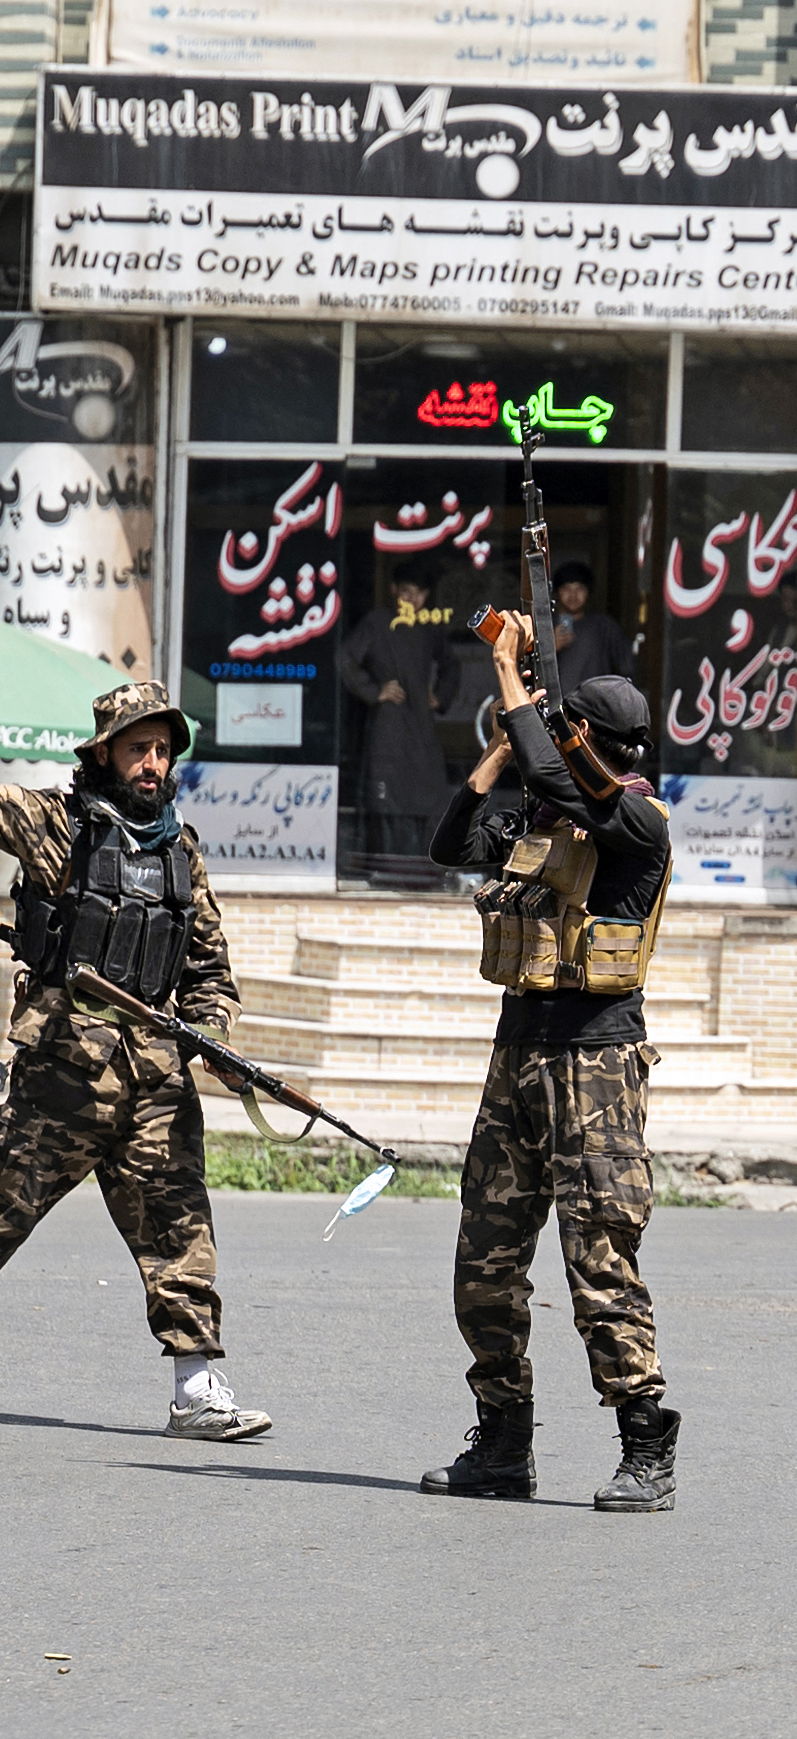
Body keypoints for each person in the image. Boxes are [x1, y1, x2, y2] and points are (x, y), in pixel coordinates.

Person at [0, 629, 270, 1440]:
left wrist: (212, 1031)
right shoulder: (58, 825)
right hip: (64, 1075)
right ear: (107, 756)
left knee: (180, 1226)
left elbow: (212, 969)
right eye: (139, 749)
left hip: (154, 1078)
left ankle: (197, 1385)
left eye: (163, 750)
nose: (154, 764)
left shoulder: (183, 852)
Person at [423, 623, 679, 1511]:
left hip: (596, 1063)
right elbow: (450, 844)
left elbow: (563, 776)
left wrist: (508, 674)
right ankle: (503, 1441)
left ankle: (646, 1444)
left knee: (599, 1259)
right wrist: (496, 752)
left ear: (591, 747)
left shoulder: (636, 822)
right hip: (518, 1058)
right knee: (483, 1260)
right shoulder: (542, 820)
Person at [338, 554, 454, 869]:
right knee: (385, 801)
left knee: (427, 796)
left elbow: (451, 666)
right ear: (393, 590)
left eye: (420, 593)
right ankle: (385, 869)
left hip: (422, 728)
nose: (413, 599)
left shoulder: (431, 626)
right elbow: (345, 659)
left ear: (427, 596)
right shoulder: (377, 623)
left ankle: (424, 872)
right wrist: (375, 691)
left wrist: (439, 697)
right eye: (406, 592)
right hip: (387, 725)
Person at [550, 561, 635, 697]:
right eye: (566, 589)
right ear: (557, 592)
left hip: (595, 705)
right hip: (555, 706)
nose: (573, 595)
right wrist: (549, 647)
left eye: (579, 589)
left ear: (588, 592)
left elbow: (626, 666)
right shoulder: (545, 625)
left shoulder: (603, 625)